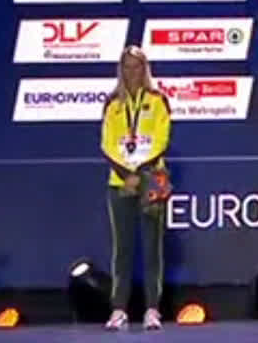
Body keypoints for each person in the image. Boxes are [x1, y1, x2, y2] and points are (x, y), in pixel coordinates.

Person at [100, 46, 171, 331]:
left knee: (152, 247)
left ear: (145, 69)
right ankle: (119, 310)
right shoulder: (112, 103)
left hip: (152, 180)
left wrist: (140, 173)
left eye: (137, 66)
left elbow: (161, 140)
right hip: (119, 182)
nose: (132, 72)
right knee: (123, 248)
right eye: (127, 66)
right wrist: (125, 174)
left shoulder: (157, 100)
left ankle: (152, 309)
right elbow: (107, 144)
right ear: (121, 69)